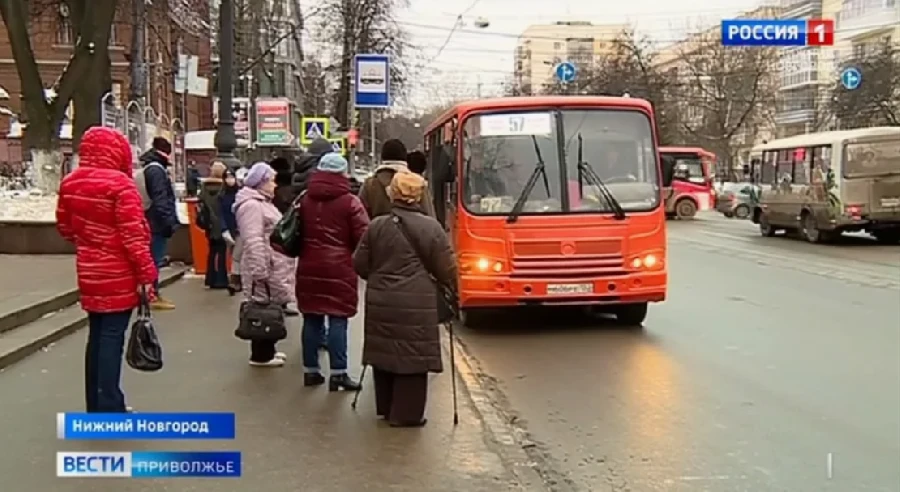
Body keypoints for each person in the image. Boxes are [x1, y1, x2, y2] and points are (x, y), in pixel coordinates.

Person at [56, 126, 158, 412]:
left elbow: (65, 228)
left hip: (90, 270)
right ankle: (110, 405)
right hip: (120, 272)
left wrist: (92, 241)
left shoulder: (70, 182)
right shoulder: (121, 185)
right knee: (112, 337)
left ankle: (96, 402)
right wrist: (147, 274)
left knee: (98, 335)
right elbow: (133, 237)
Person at [353, 172, 457, 427]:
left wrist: (380, 279)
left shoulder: (376, 225)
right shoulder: (431, 227)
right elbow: (446, 269)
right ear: (418, 195)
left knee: (385, 350)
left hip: (382, 298)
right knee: (412, 356)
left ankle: (386, 407)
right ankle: (406, 414)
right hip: (416, 301)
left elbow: (359, 263)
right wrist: (451, 288)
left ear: (393, 194)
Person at [295, 153, 369, 390]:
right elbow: (364, 236)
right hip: (340, 267)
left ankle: (311, 371)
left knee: (311, 318)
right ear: (342, 173)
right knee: (338, 319)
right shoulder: (350, 202)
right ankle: (338, 373)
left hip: (308, 264)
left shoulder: (305, 198)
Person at [234, 162, 296, 367]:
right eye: (271, 180)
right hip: (262, 264)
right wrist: (259, 269)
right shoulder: (251, 206)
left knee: (269, 305)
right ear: (261, 182)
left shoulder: (262, 202)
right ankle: (261, 355)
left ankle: (268, 350)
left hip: (271, 263)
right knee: (261, 307)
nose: (274, 185)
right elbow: (253, 239)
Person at [136, 136, 179, 310]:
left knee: (152, 260)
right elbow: (161, 199)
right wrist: (169, 223)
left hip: (151, 221)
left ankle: (149, 293)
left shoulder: (149, 168)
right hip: (156, 225)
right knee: (154, 261)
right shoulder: (156, 171)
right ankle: (151, 295)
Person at [358, 139, 436, 218]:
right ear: (405, 158)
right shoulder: (417, 183)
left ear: (382, 158)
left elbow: (360, 218)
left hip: (379, 229)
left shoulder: (369, 185)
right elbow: (430, 217)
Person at [198, 162, 229, 290]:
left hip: (210, 224)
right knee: (222, 252)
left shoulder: (204, 187)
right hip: (222, 223)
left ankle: (210, 278)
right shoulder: (224, 187)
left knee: (212, 252)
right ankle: (221, 279)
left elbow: (201, 203)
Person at [219, 169, 241, 295]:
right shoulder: (222, 195)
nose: (229, 180)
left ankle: (235, 281)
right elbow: (220, 213)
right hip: (229, 228)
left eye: (231, 176)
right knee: (233, 254)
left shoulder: (240, 193)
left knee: (236, 255)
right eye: (227, 177)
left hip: (240, 228)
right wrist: (224, 229)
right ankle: (237, 279)